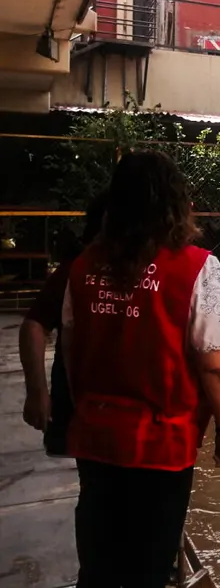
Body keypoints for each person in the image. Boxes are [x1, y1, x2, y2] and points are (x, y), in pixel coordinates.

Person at [61, 150, 220, 587]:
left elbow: (71, 347)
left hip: (96, 436)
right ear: (175, 204)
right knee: (150, 565)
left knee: (99, 561)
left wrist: (86, 408)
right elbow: (216, 363)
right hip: (161, 444)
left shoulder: (84, 266)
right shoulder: (197, 267)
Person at [20, 195, 107, 456]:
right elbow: (34, 326)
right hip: (78, 399)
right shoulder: (77, 269)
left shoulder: (145, 269)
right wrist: (37, 392)